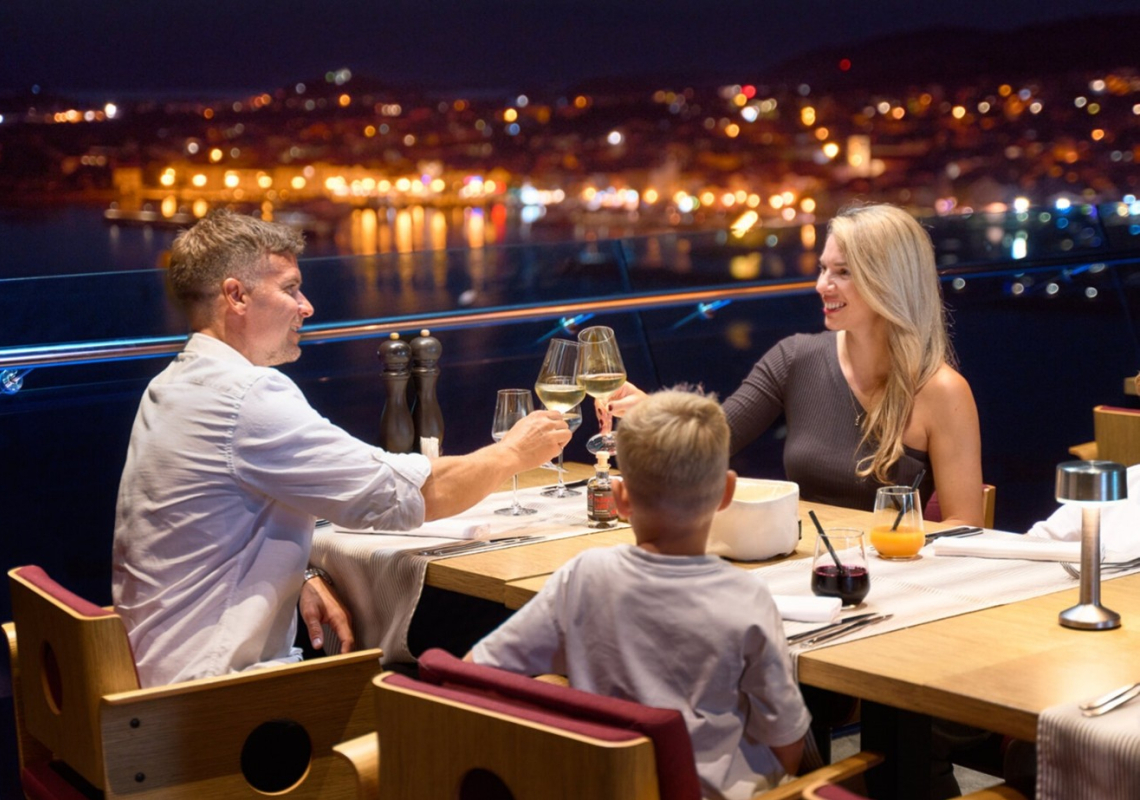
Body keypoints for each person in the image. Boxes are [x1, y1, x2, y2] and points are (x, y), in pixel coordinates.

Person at [112, 209, 570, 688]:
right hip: (219, 699)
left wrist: (301, 576)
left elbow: (211, 524)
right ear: (237, 295)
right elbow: (407, 496)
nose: (306, 306)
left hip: (159, 677)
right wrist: (514, 453)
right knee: (512, 675)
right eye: (290, 288)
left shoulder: (171, 385)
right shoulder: (246, 396)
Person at [469, 389, 811, 799]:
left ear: (620, 498)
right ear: (726, 492)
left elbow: (475, 672)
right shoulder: (747, 597)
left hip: (602, 787)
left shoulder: (583, 576)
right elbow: (786, 740)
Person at [607, 203, 984, 526]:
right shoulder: (796, 356)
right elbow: (712, 441)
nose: (822, 285)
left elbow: (965, 526)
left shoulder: (943, 391)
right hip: (805, 562)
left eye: (843, 272)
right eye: (823, 269)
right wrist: (652, 413)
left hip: (893, 576)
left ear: (889, 282)